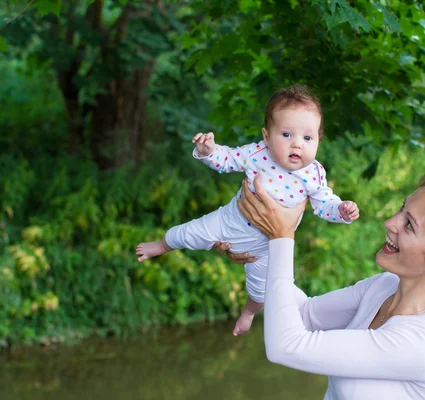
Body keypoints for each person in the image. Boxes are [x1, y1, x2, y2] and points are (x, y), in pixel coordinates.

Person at [224, 173, 425, 400]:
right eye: (401, 209)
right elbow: (303, 314)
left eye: (409, 225)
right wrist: (261, 252)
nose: (390, 222)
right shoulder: (386, 286)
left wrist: (281, 238)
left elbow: (286, 346)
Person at [135, 84, 360, 336]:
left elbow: (324, 204)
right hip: (228, 222)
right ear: (266, 136)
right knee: (187, 233)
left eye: (307, 138)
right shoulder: (257, 154)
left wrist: (341, 209)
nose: (297, 145)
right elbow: (228, 158)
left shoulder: (314, 174)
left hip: (266, 246)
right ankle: (161, 246)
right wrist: (208, 151)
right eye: (287, 135)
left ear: (318, 140)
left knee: (261, 291)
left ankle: (249, 312)